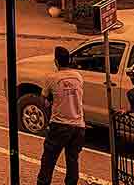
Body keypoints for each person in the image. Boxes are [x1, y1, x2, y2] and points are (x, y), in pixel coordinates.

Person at [37, 46, 85, 185]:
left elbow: (44, 101)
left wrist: (50, 100)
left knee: (49, 160)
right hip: (78, 126)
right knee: (72, 160)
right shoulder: (78, 77)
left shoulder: (52, 78)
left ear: (56, 62)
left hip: (60, 125)